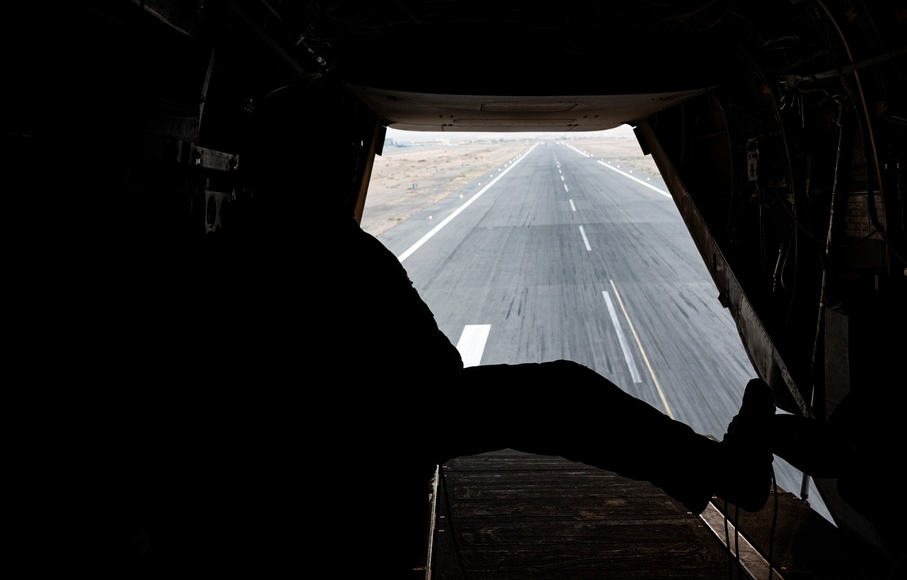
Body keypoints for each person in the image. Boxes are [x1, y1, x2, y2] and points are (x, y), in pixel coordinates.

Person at [43, 81, 775, 577]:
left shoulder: (203, 260)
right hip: (348, 447)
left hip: (238, 477)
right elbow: (435, 367)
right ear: (329, 169)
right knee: (559, 391)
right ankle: (717, 471)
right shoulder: (337, 249)